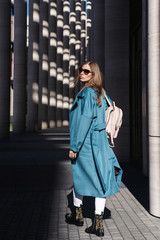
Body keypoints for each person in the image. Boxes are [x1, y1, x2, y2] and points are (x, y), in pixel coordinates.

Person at [65, 61, 122, 237]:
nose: (81, 73)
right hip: (101, 144)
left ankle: (78, 216)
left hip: (87, 144)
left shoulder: (87, 93)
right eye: (80, 70)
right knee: (100, 181)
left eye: (86, 71)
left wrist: (74, 146)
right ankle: (98, 224)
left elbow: (84, 121)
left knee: (80, 178)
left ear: (93, 74)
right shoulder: (102, 93)